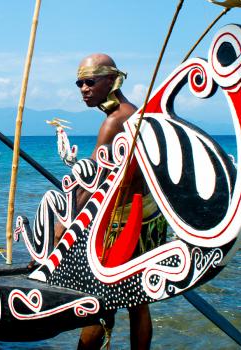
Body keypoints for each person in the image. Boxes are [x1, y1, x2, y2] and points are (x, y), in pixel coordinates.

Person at [72, 53, 164, 350]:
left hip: (123, 223)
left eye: (90, 81)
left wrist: (69, 224)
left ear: (112, 80)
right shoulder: (134, 113)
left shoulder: (114, 122)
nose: (84, 89)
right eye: (79, 83)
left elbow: (90, 183)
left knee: (100, 300)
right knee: (138, 302)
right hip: (149, 217)